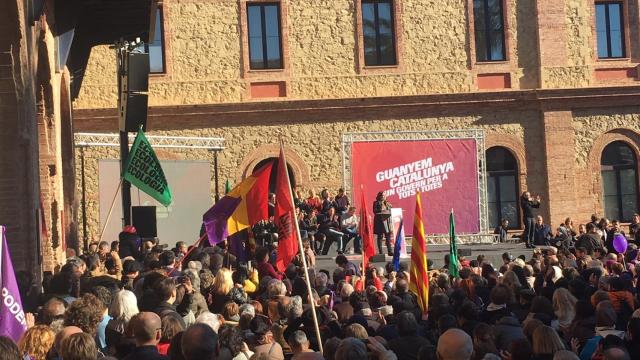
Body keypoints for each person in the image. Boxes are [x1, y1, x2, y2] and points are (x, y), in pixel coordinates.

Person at [373, 191, 393, 256]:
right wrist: (381, 210)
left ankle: (390, 251)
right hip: (379, 221)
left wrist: (389, 207)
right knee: (380, 236)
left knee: (388, 237)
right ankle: (380, 252)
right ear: (379, 196)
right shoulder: (376, 203)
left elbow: (390, 209)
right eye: (382, 196)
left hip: (387, 221)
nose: (384, 197)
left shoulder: (387, 203)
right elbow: (374, 211)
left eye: (385, 195)